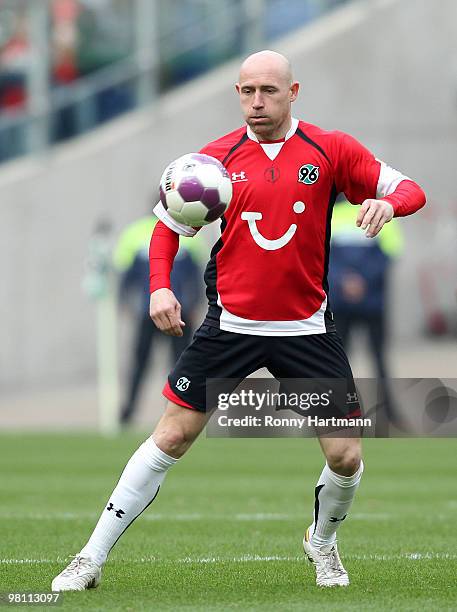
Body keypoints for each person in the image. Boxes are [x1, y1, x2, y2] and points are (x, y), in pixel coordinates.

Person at [52, 50, 426, 591]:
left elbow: (409, 188)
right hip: (230, 327)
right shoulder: (212, 162)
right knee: (171, 437)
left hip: (306, 329)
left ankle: (322, 543)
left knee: (346, 456)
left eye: (269, 91)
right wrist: (160, 287)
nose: (257, 102)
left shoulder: (331, 150)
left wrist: (391, 206)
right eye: (247, 91)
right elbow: (164, 229)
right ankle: (89, 558)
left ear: (293, 93)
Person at [113, 215, 204, 425]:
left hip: (172, 311)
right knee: (145, 363)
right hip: (154, 311)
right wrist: (127, 303)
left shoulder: (136, 232)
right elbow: (127, 277)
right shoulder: (136, 233)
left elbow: (195, 276)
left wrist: (195, 304)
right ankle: (129, 411)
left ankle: (176, 408)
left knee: (179, 363)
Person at [329, 198, 403, 426]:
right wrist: (351, 280)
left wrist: (351, 281)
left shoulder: (381, 212)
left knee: (375, 359)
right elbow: (321, 256)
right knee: (341, 362)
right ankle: (341, 413)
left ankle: (386, 415)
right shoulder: (333, 213)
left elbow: (390, 254)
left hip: (368, 303)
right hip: (354, 303)